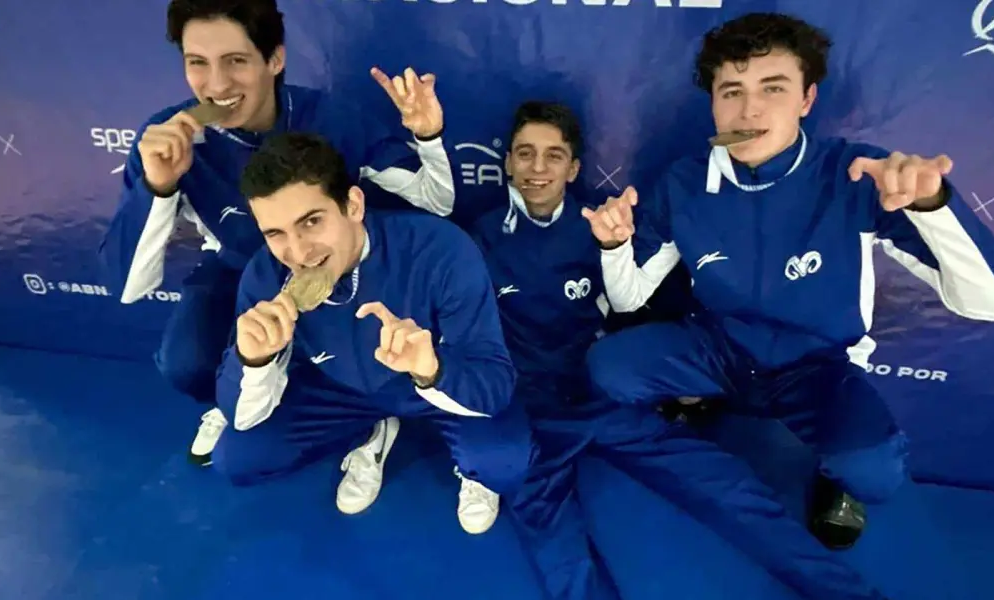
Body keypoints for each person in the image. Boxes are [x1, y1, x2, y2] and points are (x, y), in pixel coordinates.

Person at [362, 100, 890, 599]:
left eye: (554, 155)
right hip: (526, 408)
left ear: (573, 168)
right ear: (506, 163)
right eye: (525, 153)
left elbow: (639, 303)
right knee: (559, 552)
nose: (538, 168)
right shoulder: (477, 239)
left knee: (728, 489)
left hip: (603, 397)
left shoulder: (605, 225)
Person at [581, 12, 994, 550]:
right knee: (611, 366)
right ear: (714, 104)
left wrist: (933, 206)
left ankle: (835, 478)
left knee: (873, 472)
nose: (750, 109)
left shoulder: (859, 175)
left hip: (814, 364)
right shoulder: (683, 181)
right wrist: (613, 245)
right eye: (732, 91)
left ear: (807, 100)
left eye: (773, 88)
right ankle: (703, 398)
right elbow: (629, 296)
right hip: (720, 347)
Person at [96, 0, 454, 467]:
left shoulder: (330, 120)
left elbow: (436, 203)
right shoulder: (170, 137)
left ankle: (352, 414)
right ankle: (238, 399)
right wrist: (159, 186)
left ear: (275, 60)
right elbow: (126, 287)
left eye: (236, 61)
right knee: (183, 362)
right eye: (197, 63)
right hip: (238, 271)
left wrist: (428, 138)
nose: (217, 84)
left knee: (359, 356)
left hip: (331, 273)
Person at [215, 131, 527, 538]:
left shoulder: (441, 249)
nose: (298, 251)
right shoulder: (265, 275)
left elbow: (496, 384)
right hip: (340, 392)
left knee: (503, 463)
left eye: (311, 222)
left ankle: (463, 461)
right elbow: (236, 413)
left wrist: (432, 368)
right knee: (237, 459)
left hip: (428, 387)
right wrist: (252, 361)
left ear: (354, 205)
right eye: (275, 233)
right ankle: (370, 432)